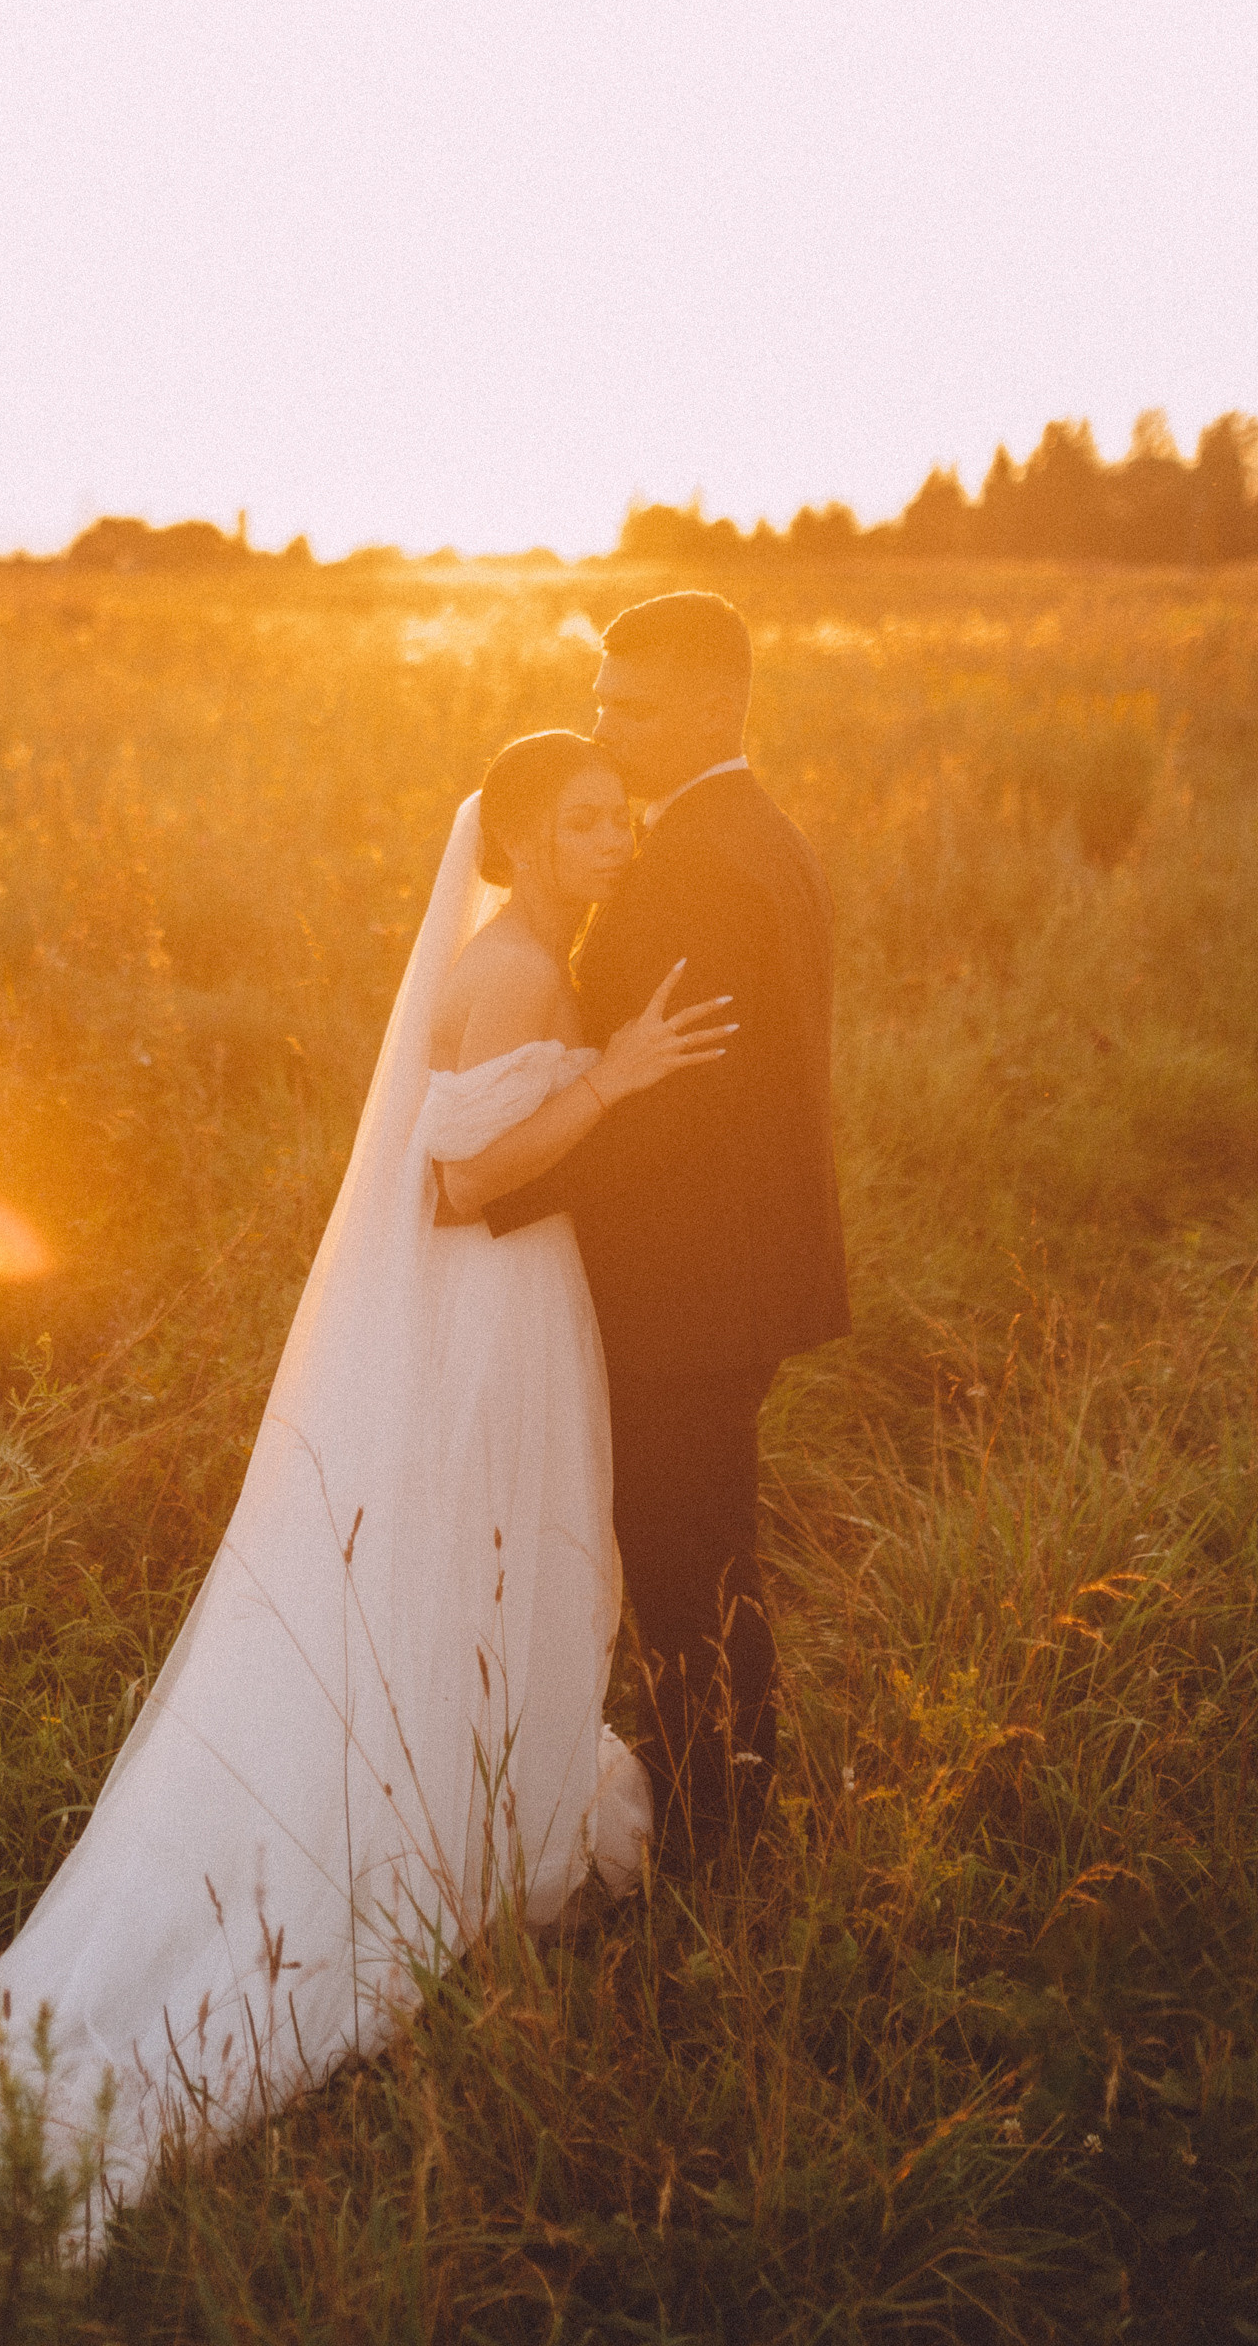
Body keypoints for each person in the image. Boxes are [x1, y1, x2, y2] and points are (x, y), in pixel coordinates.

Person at [0, 731, 730, 2233]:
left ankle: (483, 1802)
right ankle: (416, 1856)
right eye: (588, 825)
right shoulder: (512, 967)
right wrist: (621, 1078)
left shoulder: (527, 945)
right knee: (486, 1548)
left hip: (507, 1308)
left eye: (623, 820)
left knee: (480, 1560)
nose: (618, 843)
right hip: (491, 1311)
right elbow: (463, 1182)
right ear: (519, 838)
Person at [448, 593, 849, 1868]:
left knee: (691, 1580)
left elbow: (678, 1116)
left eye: (635, 708)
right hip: (738, 1275)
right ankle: (724, 1813)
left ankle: (719, 1844)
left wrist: (482, 1195)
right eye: (601, 698)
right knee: (703, 1558)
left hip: (693, 1290)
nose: (606, 728)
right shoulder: (758, 834)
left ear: (720, 708)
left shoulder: (696, 869)